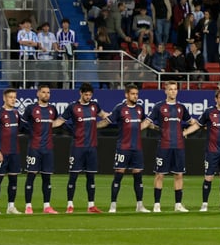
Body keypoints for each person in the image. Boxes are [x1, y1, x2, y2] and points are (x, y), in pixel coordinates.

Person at [148, 81, 202, 213]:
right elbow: (148, 122)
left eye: (175, 89)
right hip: (164, 145)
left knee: (179, 174)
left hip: (178, 145)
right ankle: (156, 205)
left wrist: (187, 131)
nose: (173, 91)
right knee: (160, 174)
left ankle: (178, 204)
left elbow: (192, 122)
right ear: (165, 91)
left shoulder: (181, 108)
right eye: (170, 89)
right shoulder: (159, 107)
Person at [52, 83, 103, 213]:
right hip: (77, 146)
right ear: (80, 93)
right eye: (86, 94)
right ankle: (70, 205)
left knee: (91, 177)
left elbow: (105, 116)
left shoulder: (94, 106)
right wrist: (46, 124)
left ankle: (91, 205)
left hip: (91, 147)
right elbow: (60, 121)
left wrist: (115, 116)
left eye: (90, 95)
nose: (88, 97)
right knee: (73, 176)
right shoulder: (73, 107)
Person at [100, 84, 150, 213]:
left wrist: (160, 129)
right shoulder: (120, 109)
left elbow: (146, 123)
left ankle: (140, 205)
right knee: (118, 176)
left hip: (137, 148)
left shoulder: (139, 109)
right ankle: (113, 205)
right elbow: (106, 122)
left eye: (137, 94)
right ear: (126, 95)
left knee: (138, 176)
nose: (135, 96)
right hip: (123, 147)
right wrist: (91, 127)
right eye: (133, 94)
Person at [20, 85, 60, 214]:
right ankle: (28, 206)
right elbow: (22, 124)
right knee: (31, 176)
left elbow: (57, 123)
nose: (46, 95)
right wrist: (31, 133)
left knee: (47, 178)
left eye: (48, 92)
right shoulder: (31, 108)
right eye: (43, 92)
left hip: (48, 148)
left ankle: (47, 206)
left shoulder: (52, 109)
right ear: (38, 93)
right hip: (34, 148)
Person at [0, 88, 23, 215]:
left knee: (14, 180)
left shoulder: (16, 113)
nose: (13, 99)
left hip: (15, 152)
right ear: (4, 98)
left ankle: (11, 207)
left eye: (15, 97)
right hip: (3, 152)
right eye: (10, 97)